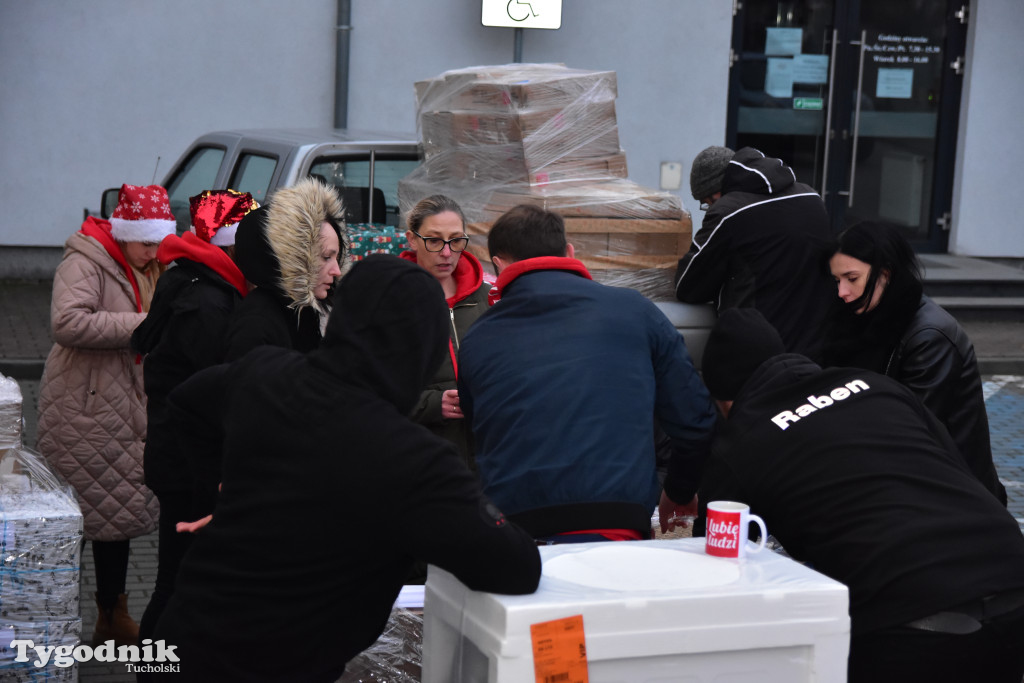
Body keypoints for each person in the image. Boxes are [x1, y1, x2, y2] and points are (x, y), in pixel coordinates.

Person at [151, 255, 541, 681]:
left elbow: (187, 402)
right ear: (423, 348)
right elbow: (516, 564)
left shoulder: (265, 374)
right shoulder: (412, 461)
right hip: (272, 668)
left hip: (182, 641)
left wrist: (220, 490)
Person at [693, 307, 1024, 683]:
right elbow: (962, 468)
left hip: (911, 616)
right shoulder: (877, 385)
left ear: (727, 401)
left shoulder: (741, 440)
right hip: (1011, 572)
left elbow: (717, 560)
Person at [456, 204, 717, 543]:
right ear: (569, 252)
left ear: (499, 264)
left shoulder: (478, 337)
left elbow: (482, 428)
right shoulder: (635, 311)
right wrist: (679, 492)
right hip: (615, 520)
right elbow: (695, 422)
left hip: (515, 532)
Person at [36, 184, 175, 646]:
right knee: (77, 519)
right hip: (84, 409)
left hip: (126, 409)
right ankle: (49, 614)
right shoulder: (86, 260)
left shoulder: (150, 264)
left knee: (116, 515)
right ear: (123, 232)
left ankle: (112, 615)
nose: (153, 252)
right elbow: (67, 322)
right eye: (146, 242)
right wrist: (144, 324)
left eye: (159, 242)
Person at [130, 189, 258, 648]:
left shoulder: (195, 277)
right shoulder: (208, 302)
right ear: (231, 242)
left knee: (177, 579)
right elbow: (211, 392)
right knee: (176, 584)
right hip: (188, 466)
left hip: (178, 457)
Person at [824, 221, 1006, 504]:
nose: (842, 292)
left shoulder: (930, 335)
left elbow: (909, 428)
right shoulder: (858, 318)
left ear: (886, 274)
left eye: (851, 278)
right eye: (837, 281)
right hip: (897, 481)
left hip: (950, 495)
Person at [673, 146, 835, 361]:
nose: (710, 207)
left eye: (707, 202)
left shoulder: (728, 212)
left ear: (716, 190)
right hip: (815, 343)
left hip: (760, 350)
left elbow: (688, 286)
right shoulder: (810, 196)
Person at [400, 194, 492, 470]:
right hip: (422, 462)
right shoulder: (391, 302)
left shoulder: (490, 300)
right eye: (434, 240)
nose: (446, 252)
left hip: (486, 461)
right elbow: (367, 389)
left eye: (456, 240)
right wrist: (431, 404)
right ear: (412, 239)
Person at [222, 177, 345, 360]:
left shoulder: (308, 313)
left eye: (337, 257)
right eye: (326, 257)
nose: (337, 271)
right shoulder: (256, 325)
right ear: (294, 258)